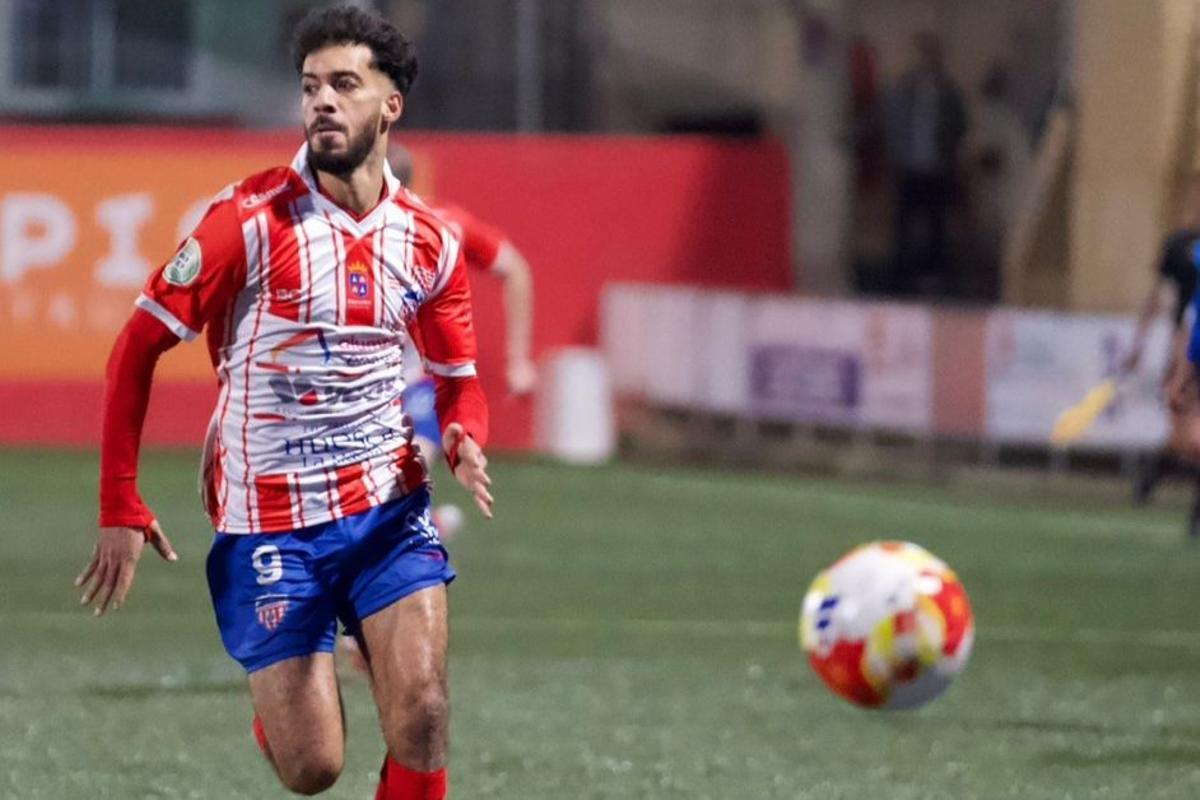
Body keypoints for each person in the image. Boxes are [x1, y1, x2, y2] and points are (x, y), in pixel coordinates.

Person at [73, 7, 492, 798]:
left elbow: (458, 377)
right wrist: (120, 500)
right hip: (269, 520)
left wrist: (466, 431)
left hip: (387, 507)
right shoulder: (247, 221)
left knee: (425, 716)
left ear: (390, 104)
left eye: (344, 84)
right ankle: (279, 715)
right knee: (313, 768)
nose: (323, 103)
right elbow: (135, 346)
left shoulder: (430, 239)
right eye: (310, 88)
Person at [389, 143, 537, 398]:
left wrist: (518, 361)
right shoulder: (338, 226)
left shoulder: (445, 224)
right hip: (360, 383)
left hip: (418, 381)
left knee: (423, 436)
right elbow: (516, 268)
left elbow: (515, 269)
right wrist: (518, 360)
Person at [1137, 179, 1200, 534]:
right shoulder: (1179, 246)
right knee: (1185, 441)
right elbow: (1163, 297)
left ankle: (1194, 518)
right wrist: (1139, 344)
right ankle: (1152, 472)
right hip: (1186, 349)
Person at [883, 33, 968, 296]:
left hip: (937, 167)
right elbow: (889, 120)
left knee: (936, 223)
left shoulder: (949, 91)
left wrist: (949, 150)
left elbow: (960, 125)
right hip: (909, 166)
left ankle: (935, 274)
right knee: (904, 222)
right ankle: (900, 276)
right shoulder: (904, 88)